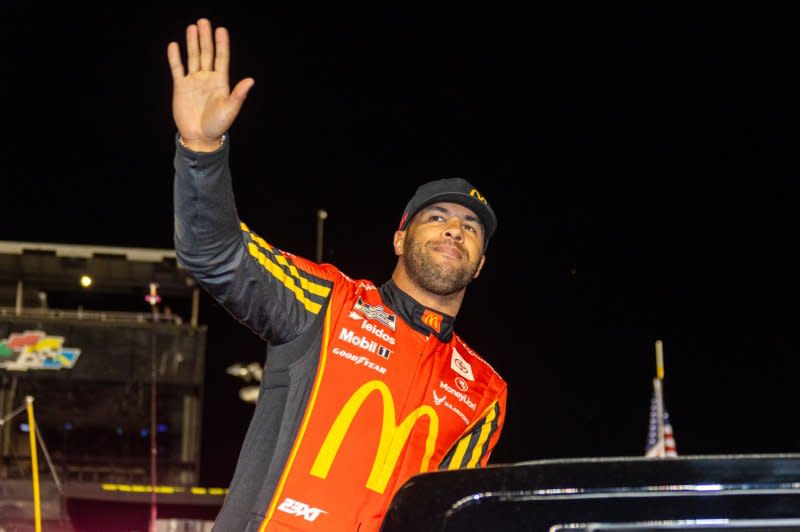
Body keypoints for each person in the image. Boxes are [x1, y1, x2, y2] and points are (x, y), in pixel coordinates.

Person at [168, 18, 508, 532]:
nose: (454, 230)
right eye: (436, 217)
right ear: (399, 238)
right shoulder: (328, 301)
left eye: (470, 228)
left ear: (480, 263)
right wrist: (200, 151)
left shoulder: (486, 391)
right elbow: (215, 253)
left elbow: (447, 518)